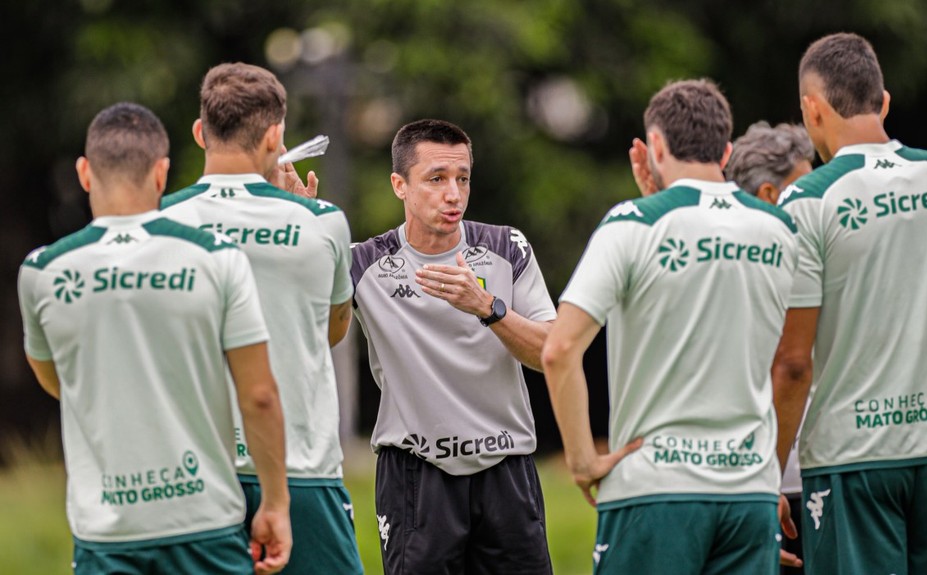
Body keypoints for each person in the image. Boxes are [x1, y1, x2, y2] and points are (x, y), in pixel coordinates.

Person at [17, 102, 291, 574]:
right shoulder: (217, 257)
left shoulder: (42, 270)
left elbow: (56, 379)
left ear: (84, 173)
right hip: (205, 523)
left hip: (107, 533)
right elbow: (260, 396)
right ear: (162, 174)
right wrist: (275, 504)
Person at [542, 79, 799, 575]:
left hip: (654, 489)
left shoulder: (632, 224)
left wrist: (582, 461)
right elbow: (789, 357)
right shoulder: (780, 228)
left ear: (655, 145)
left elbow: (559, 348)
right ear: (726, 152)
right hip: (749, 490)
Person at [772, 32, 927, 575]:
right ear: (884, 102)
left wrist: (766, 475)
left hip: (852, 457)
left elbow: (793, 363)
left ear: (812, 111)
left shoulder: (809, 198)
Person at [160, 63, 362, 574]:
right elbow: (331, 330)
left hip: (191, 472)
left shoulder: (159, 222)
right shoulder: (322, 222)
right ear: (275, 137)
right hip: (301, 468)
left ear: (200, 132)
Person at [350, 118, 557, 574]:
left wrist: (487, 307)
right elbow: (304, 319)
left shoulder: (506, 247)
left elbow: (552, 353)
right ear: (400, 185)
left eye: (462, 178)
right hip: (415, 475)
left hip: (506, 470)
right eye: (436, 179)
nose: (453, 194)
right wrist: (307, 231)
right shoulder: (363, 263)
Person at [726, 120, 816, 574]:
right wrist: (759, 487)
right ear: (768, 194)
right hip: (757, 487)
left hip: (812, 478)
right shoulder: (729, 276)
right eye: (805, 188)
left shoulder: (816, 258)